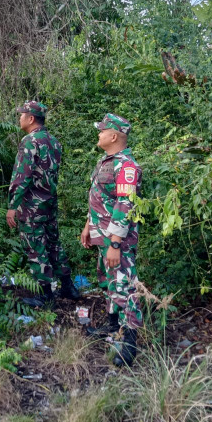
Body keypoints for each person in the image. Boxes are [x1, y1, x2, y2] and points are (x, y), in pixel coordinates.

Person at [80, 113, 142, 366]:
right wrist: (88, 226)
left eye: (102, 130)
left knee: (125, 286)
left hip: (117, 240)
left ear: (114, 136)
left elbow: (125, 203)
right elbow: (98, 197)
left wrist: (115, 243)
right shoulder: (106, 161)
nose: (99, 133)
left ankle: (129, 342)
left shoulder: (127, 167)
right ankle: (112, 326)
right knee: (108, 282)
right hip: (101, 234)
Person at [7, 101, 80, 307]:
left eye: (21, 115)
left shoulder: (30, 141)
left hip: (31, 206)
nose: (19, 119)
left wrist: (13, 205)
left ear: (31, 118)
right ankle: (68, 286)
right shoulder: (54, 141)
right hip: (49, 203)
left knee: (35, 247)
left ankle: (46, 295)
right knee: (54, 243)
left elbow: (22, 177)